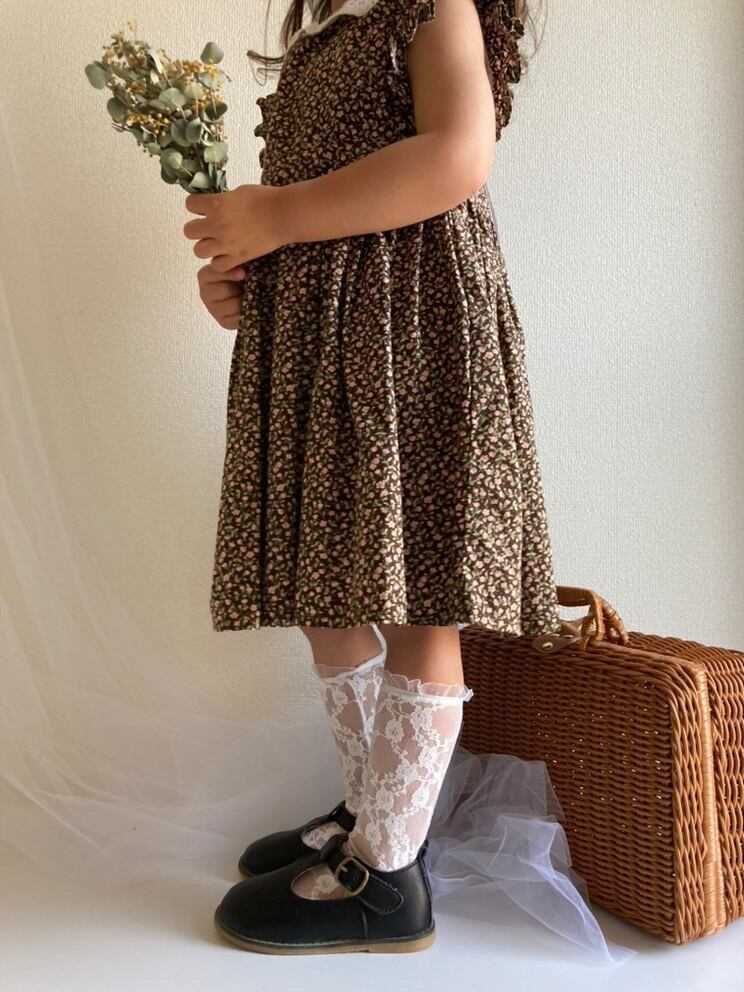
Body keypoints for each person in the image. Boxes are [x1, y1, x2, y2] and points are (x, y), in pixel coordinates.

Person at [182, 0, 561, 955]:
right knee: (330, 588)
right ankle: (377, 810)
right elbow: (325, 193)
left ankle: (387, 875)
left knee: (423, 598)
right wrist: (249, 268)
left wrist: (276, 214)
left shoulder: (429, 6)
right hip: (333, 341)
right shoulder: (332, 29)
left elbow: (457, 154)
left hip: (413, 331)